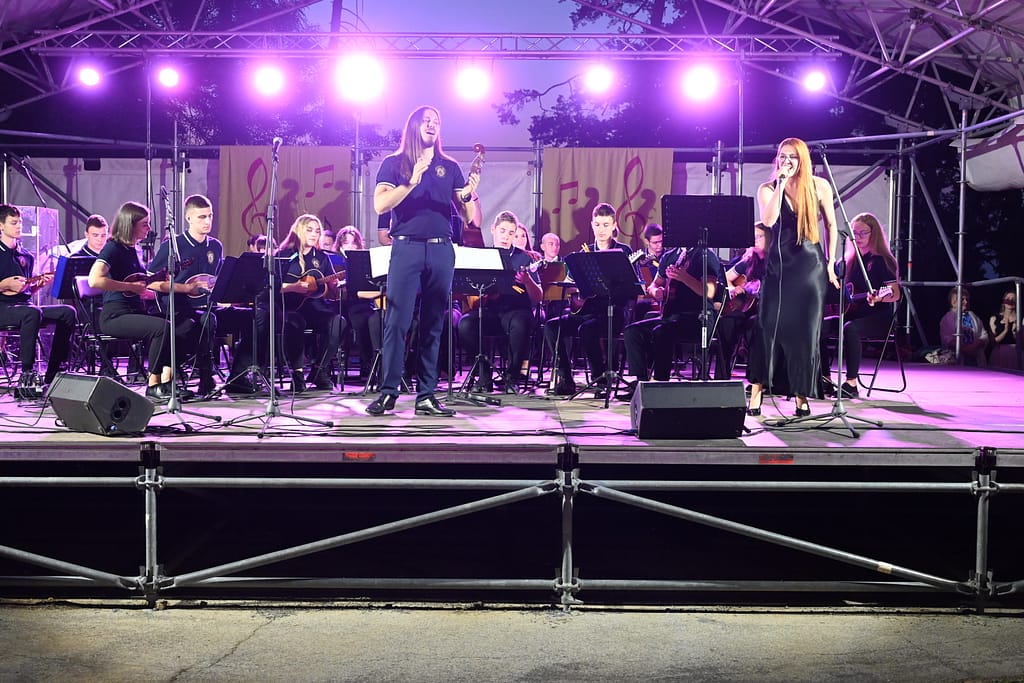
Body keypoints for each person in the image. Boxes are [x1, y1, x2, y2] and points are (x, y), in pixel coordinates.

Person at [366, 105, 479, 416]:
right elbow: (380, 205)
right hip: (406, 248)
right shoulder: (394, 163)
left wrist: (469, 196)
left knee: (433, 323)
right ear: (414, 126)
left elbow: (468, 217)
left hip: (441, 249)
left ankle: (426, 395)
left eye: (437, 121)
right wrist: (411, 182)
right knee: (397, 321)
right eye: (427, 120)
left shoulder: (449, 166)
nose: (432, 124)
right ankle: (389, 392)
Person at [746, 137, 840, 417]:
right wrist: (781, 183)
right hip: (779, 267)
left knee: (805, 333)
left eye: (792, 157)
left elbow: (832, 225)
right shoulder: (768, 188)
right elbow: (769, 220)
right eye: (782, 156)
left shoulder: (819, 186)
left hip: (810, 266)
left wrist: (831, 263)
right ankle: (757, 393)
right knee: (767, 327)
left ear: (802, 160)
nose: (786, 161)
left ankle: (801, 396)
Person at [88, 201, 204, 402]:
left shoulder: (135, 249)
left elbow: (143, 282)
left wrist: (165, 283)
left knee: (185, 325)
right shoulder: (113, 248)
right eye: (144, 224)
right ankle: (153, 385)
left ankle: (167, 382)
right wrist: (130, 287)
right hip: (114, 315)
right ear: (130, 224)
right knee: (162, 328)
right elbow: (94, 280)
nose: (149, 228)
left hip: (134, 311)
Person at [544, 202, 633, 396]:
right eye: (598, 225)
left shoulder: (623, 251)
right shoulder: (584, 252)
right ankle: (566, 380)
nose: (601, 230)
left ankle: (600, 379)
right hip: (586, 310)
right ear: (592, 225)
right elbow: (570, 284)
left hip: (612, 312)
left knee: (587, 329)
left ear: (614, 225)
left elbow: (633, 287)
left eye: (606, 225)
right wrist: (576, 287)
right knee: (552, 327)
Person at [457, 210, 543, 393]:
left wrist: (528, 281)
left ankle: (512, 377)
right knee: (465, 324)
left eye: (511, 233)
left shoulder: (524, 258)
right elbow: (471, 294)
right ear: (493, 230)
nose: (506, 237)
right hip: (490, 311)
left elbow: (539, 296)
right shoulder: (482, 256)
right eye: (502, 231)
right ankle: (484, 375)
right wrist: (483, 294)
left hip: (516, 311)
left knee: (520, 322)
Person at [819, 212, 901, 398]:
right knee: (819, 327)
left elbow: (895, 293)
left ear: (874, 234)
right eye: (854, 233)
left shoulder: (883, 260)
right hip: (852, 314)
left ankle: (851, 384)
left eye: (863, 233)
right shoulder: (848, 261)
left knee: (850, 328)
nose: (858, 237)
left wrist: (880, 297)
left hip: (878, 318)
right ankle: (825, 380)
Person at [0, 204, 77, 399]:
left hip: (24, 307)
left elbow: (25, 290)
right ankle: (27, 374)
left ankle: (53, 373)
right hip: (3, 307)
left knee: (67, 312)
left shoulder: (26, 255)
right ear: (1, 225)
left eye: (20, 222)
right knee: (32, 312)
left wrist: (39, 284)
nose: (19, 226)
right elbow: (8, 287)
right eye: (14, 223)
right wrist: (3, 284)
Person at [148, 194, 222, 396]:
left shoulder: (215, 246)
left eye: (210, 216)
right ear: (188, 218)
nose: (207, 221)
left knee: (250, 317)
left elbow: (217, 278)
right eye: (201, 217)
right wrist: (185, 288)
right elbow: (150, 281)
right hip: (179, 308)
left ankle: (238, 376)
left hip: (209, 306)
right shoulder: (173, 245)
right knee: (205, 322)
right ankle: (205, 377)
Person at [623, 233, 721, 387]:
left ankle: (660, 383)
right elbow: (654, 285)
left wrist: (684, 277)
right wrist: (656, 292)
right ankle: (641, 383)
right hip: (671, 317)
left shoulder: (705, 255)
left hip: (697, 318)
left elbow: (709, 292)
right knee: (632, 332)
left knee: (661, 332)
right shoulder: (670, 256)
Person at [276, 213, 347, 393]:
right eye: (309, 230)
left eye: (317, 231)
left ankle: (319, 370)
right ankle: (297, 374)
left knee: (338, 322)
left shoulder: (322, 257)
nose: (314, 234)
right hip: (288, 307)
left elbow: (331, 289)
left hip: (315, 307)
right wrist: (293, 287)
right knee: (295, 322)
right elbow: (272, 286)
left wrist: (335, 286)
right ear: (299, 230)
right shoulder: (284, 255)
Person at [713, 222, 769, 380]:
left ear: (770, 238)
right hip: (745, 308)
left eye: (759, 237)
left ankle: (755, 379)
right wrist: (733, 289)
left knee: (754, 325)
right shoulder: (748, 261)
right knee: (726, 322)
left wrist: (754, 289)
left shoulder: (776, 262)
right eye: (753, 237)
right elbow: (726, 277)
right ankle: (721, 378)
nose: (754, 240)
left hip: (766, 311)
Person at [939, 287, 988, 367]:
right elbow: (947, 339)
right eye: (962, 299)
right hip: (957, 360)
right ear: (953, 302)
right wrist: (965, 349)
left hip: (976, 359)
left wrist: (974, 346)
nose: (966, 302)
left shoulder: (973, 316)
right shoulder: (947, 318)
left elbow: (984, 335)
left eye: (967, 299)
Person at [988, 290, 1018, 367]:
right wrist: (1005, 331)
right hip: (999, 353)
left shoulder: (1020, 319)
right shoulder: (994, 318)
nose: (1010, 300)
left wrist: (1015, 333)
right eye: (1008, 298)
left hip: (1015, 353)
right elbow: (992, 342)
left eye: (1013, 299)